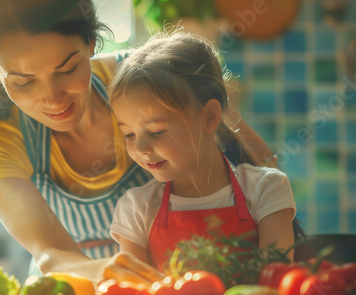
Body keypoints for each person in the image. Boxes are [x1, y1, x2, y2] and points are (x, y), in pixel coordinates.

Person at [0, 0, 278, 284]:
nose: (53, 98)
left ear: (91, 43)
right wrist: (103, 272)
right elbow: (49, 253)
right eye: (24, 81)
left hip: (181, 285)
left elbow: (258, 163)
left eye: (68, 68)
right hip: (74, 294)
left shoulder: (141, 77)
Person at [109, 30, 296, 271]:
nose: (141, 148)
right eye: (129, 134)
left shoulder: (266, 190)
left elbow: (274, 287)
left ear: (209, 117)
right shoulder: (135, 208)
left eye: (156, 131)